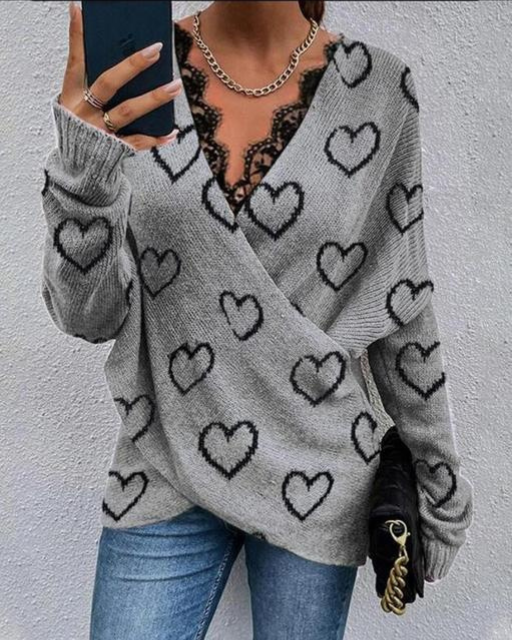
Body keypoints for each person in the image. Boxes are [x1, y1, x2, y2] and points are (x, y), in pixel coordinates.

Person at [39, 1, 474, 638]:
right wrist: (85, 174)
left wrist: (439, 479)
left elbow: (401, 302)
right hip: (163, 462)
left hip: (318, 472)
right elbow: (88, 316)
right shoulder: (136, 72)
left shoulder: (380, 90)